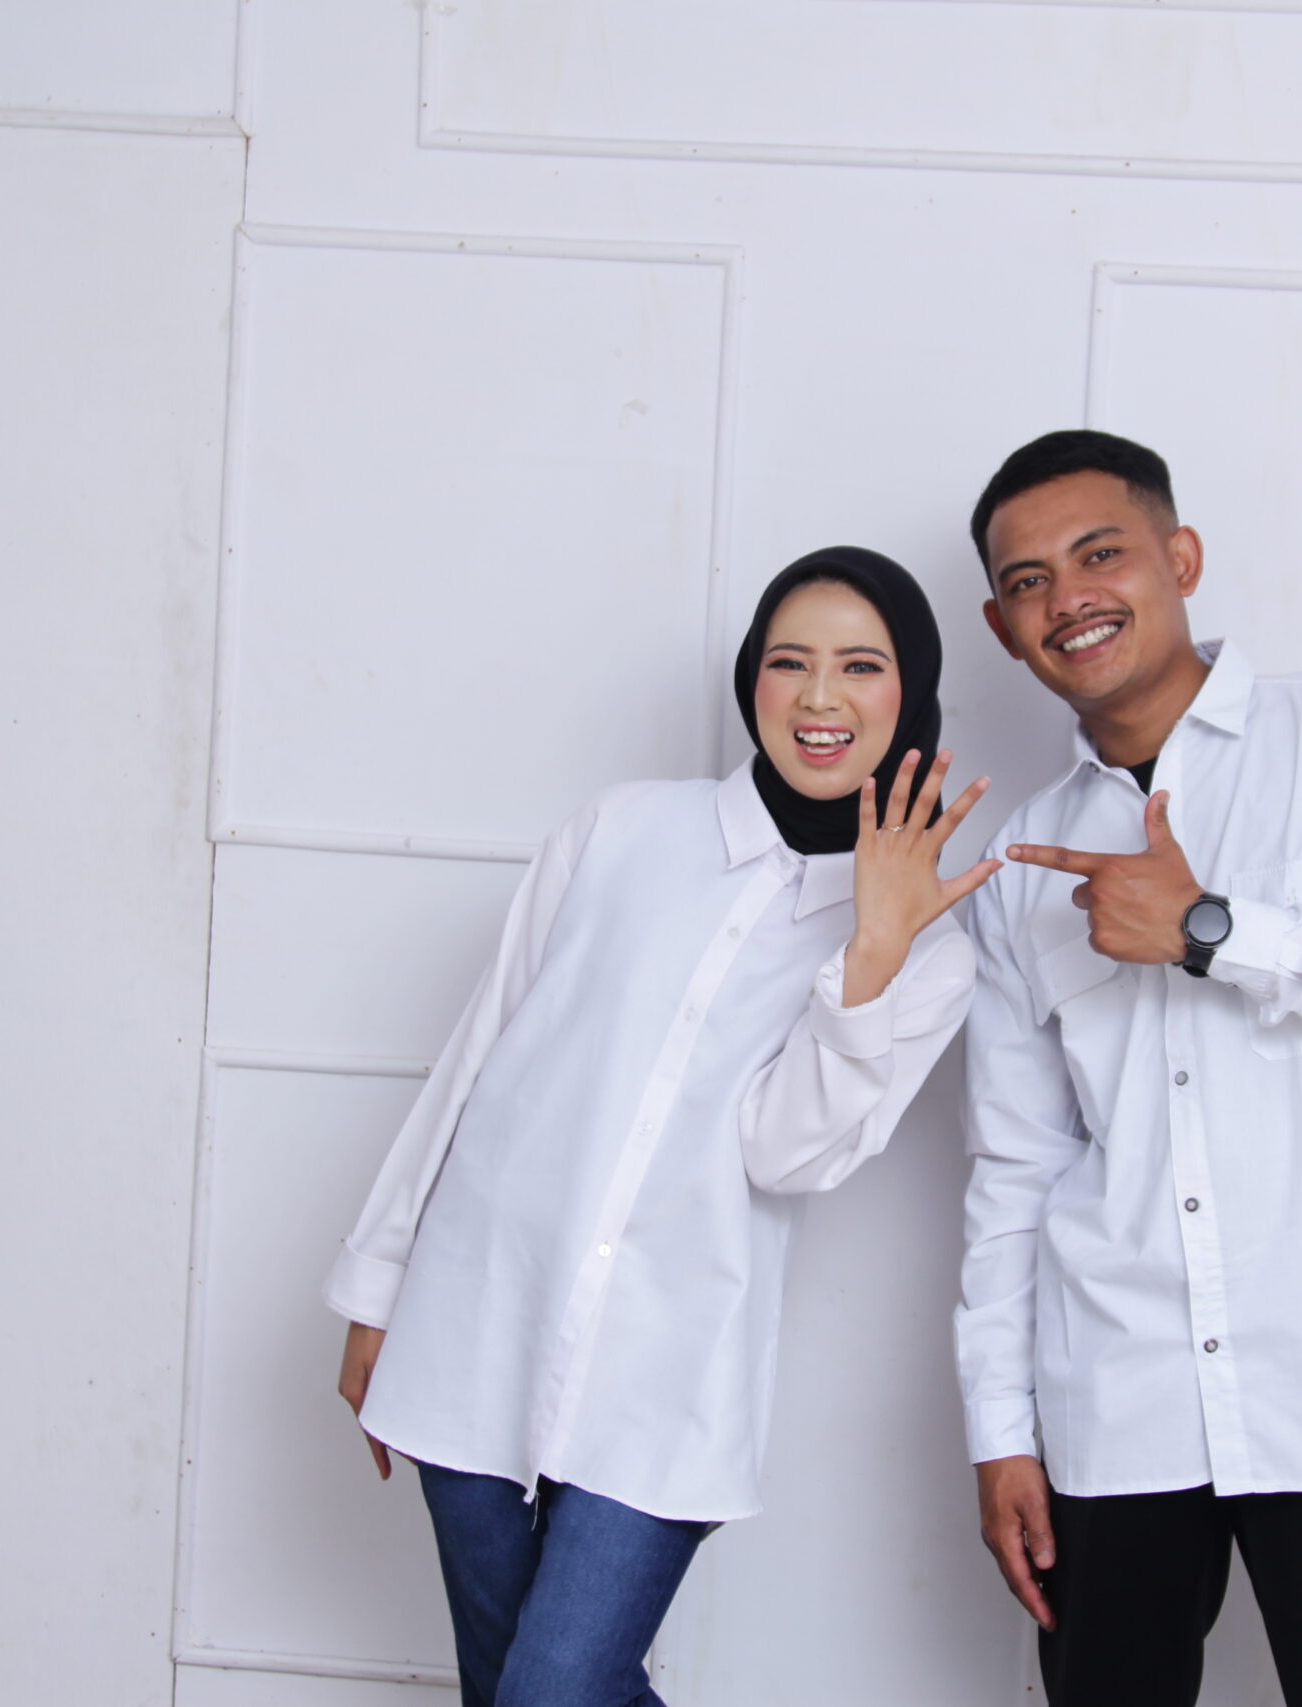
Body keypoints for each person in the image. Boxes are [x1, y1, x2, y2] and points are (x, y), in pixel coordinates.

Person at [327, 547, 1000, 1707]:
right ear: (751, 678)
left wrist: (872, 953)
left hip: (668, 1374)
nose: (820, 697)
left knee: (548, 1694)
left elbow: (786, 1154)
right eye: (789, 662)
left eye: (860, 666)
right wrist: (378, 1287)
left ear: (914, 691)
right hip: (473, 1317)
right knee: (508, 1693)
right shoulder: (623, 830)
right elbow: (477, 1056)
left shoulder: (930, 953)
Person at [954, 431, 1302, 1706]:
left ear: (1181, 558)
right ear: (1003, 629)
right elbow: (1014, 1167)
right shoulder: (1019, 862)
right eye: (1029, 581)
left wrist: (1211, 930)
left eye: (1099, 554)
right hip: (1120, 1392)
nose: (1068, 597)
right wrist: (1000, 1430)